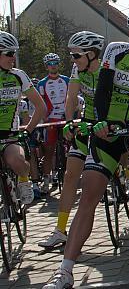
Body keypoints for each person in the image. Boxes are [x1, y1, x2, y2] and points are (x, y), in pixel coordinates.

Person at [43, 7, 129, 289]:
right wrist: (103, 122)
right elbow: (103, 90)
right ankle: (65, 271)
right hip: (111, 127)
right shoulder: (116, 52)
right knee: (89, 194)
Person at [38, 31, 105, 249]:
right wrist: (69, 122)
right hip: (86, 122)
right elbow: (70, 98)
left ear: (92, 55)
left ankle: (127, 181)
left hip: (109, 122)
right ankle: (60, 229)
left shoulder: (108, 70)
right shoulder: (78, 70)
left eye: (76, 56)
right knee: (70, 175)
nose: (73, 61)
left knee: (123, 157)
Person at [0, 31, 46, 205]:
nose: (13, 58)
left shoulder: (18, 75)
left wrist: (28, 130)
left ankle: (24, 178)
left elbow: (41, 107)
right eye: (9, 54)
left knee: (16, 161)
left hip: (9, 134)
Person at [37, 53, 70, 195]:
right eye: (50, 64)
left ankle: (70, 176)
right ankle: (45, 180)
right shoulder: (42, 83)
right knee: (49, 151)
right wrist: (45, 118)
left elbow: (72, 99)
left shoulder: (66, 80)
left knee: (71, 147)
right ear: (46, 66)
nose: (53, 66)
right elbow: (41, 103)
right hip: (50, 119)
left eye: (55, 63)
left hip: (65, 117)